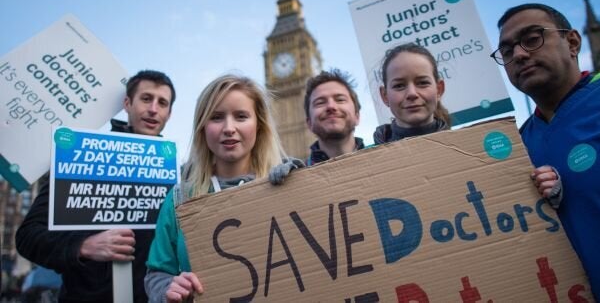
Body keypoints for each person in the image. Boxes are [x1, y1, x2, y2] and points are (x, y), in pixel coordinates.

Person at [492, 3, 600, 301]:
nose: (519, 54)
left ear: (572, 42)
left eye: (532, 39)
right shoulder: (518, 146)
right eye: (507, 51)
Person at [16, 70, 176, 302]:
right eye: (146, 98)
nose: (153, 109)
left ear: (169, 114)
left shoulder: (178, 178)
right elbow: (28, 237)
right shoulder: (82, 159)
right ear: (127, 103)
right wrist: (83, 246)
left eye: (162, 103)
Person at [144, 74, 287, 303]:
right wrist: (167, 289)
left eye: (241, 116)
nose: (229, 128)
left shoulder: (285, 186)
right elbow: (156, 274)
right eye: (217, 117)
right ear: (202, 127)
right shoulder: (178, 199)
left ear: (258, 125)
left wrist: (299, 185)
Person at [374, 43, 451, 144]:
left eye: (422, 83)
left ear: (439, 89)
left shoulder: (467, 148)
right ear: (385, 96)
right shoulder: (365, 158)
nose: (412, 93)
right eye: (399, 85)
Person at [304, 69, 364, 165]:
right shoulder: (295, 176)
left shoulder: (384, 159)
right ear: (309, 123)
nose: (331, 106)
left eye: (340, 99)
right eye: (320, 103)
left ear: (357, 116)